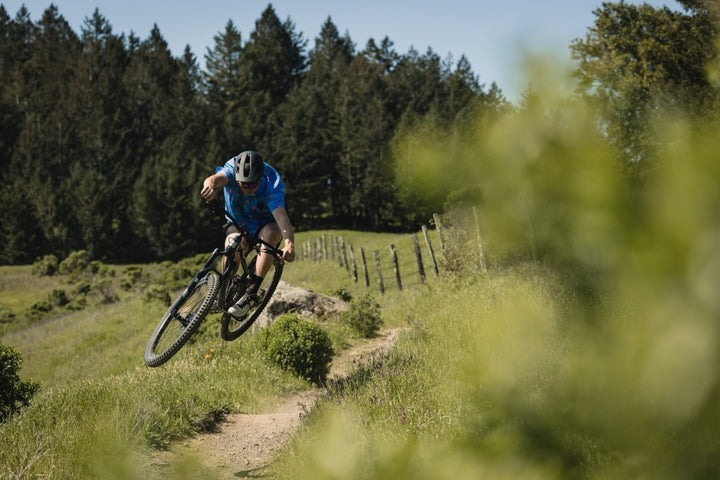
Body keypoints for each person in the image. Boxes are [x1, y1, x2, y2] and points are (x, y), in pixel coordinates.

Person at [200, 150, 295, 318]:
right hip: (238, 222)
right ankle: (224, 288)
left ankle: (252, 293)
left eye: (252, 184)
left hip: (265, 223)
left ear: (260, 177)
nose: (248, 188)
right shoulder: (231, 169)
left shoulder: (272, 184)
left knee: (272, 233)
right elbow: (214, 179)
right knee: (233, 246)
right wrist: (209, 186)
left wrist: (289, 243)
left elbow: (281, 217)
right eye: (243, 184)